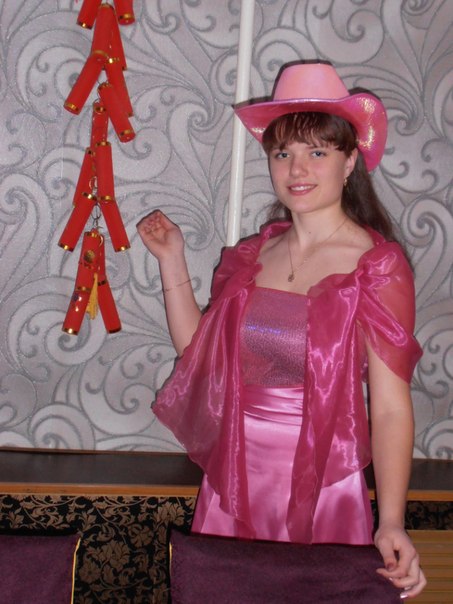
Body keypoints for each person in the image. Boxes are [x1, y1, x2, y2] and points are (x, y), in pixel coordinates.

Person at [137, 61, 426, 599]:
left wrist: (391, 520)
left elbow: (389, 407)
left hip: (322, 481)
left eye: (317, 152)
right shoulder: (253, 254)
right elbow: (201, 354)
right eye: (282, 153)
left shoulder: (377, 266)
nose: (297, 168)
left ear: (349, 161)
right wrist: (171, 260)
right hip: (235, 476)